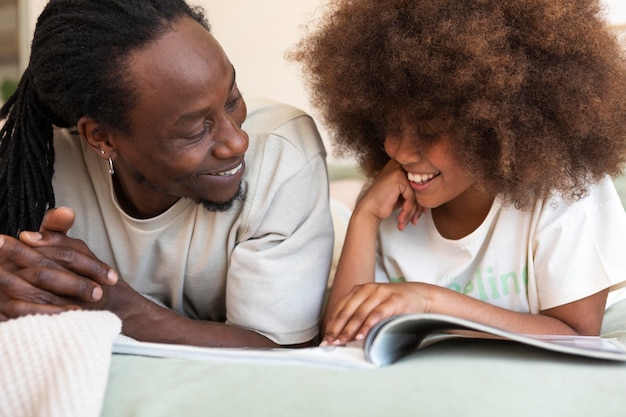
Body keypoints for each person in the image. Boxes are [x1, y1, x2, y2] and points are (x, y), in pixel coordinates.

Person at [0, 0, 334, 348]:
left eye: (232, 98)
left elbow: (281, 352)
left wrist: (117, 307)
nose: (237, 141)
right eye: (194, 130)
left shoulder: (281, 152)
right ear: (101, 138)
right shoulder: (27, 161)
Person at [291, 0, 626, 346]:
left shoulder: (567, 192)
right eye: (391, 126)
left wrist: (428, 301)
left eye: (430, 129)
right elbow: (339, 339)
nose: (402, 152)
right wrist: (364, 217)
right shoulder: (387, 202)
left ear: (496, 124)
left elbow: (579, 336)